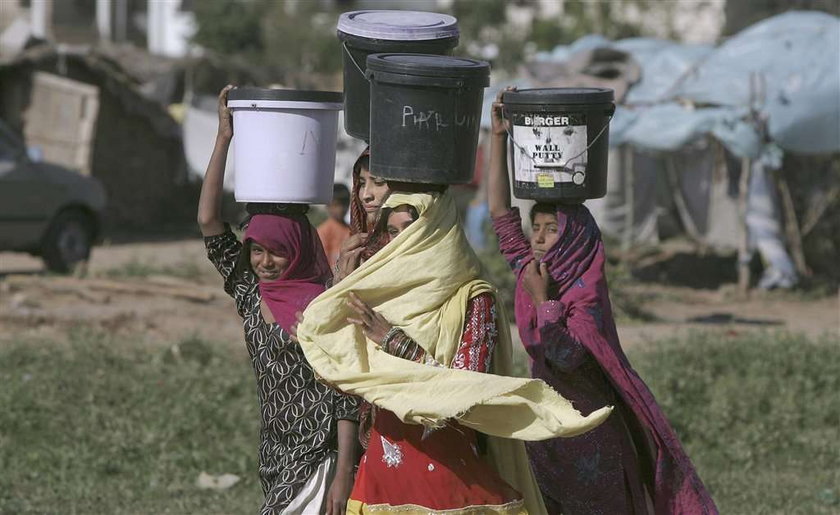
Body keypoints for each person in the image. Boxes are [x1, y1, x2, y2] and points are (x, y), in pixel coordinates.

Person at [295, 185, 613, 515]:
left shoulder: (474, 298)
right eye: (392, 231)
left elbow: (464, 392)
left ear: (438, 228)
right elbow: (340, 379)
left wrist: (393, 340)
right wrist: (333, 310)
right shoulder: (378, 294)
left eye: (411, 228)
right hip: (382, 470)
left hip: (448, 476)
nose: (402, 240)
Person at [488, 88, 718, 514]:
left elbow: (568, 356)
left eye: (550, 229)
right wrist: (499, 136)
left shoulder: (582, 291)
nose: (537, 238)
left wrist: (543, 302)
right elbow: (501, 212)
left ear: (573, 236)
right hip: (546, 422)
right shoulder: (530, 271)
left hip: (591, 432)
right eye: (535, 227)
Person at [197, 85, 359, 515]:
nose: (266, 262)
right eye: (257, 250)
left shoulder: (325, 303)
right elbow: (209, 220)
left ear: (299, 250)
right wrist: (223, 138)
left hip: (322, 453)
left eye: (277, 251)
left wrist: (344, 474)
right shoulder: (251, 293)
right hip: (274, 453)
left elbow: (345, 393)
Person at [317, 183, 352, 266]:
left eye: (344, 204)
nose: (341, 209)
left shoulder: (351, 230)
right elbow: (321, 261)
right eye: (336, 205)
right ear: (328, 205)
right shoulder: (323, 231)